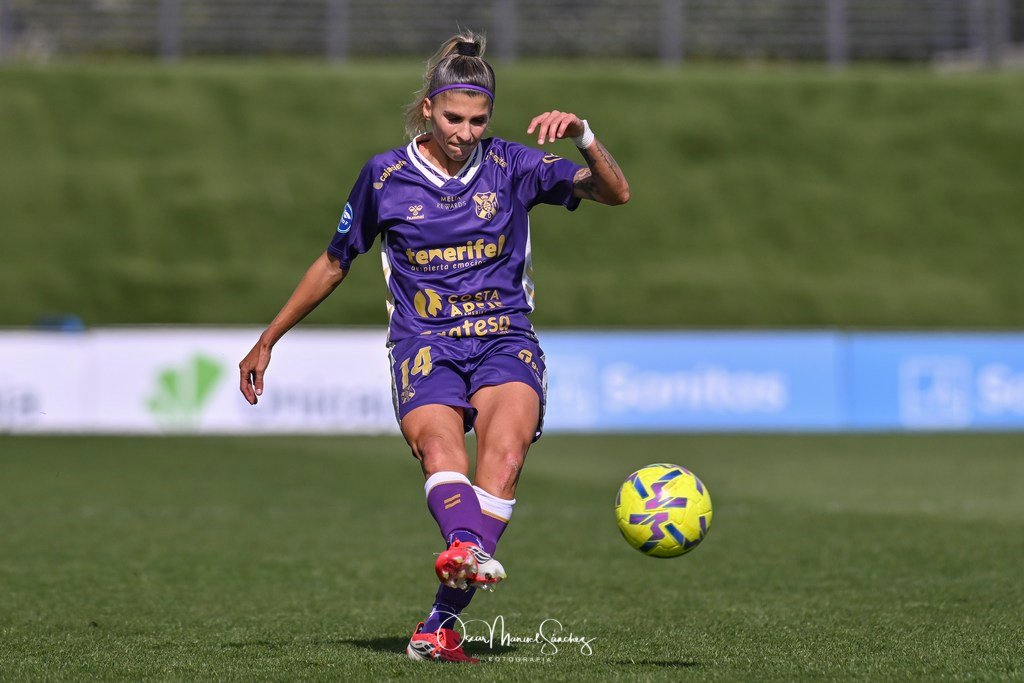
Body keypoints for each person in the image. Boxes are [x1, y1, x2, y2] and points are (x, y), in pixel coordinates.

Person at [238, 30, 629, 664]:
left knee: (505, 459)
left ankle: (440, 617)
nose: (465, 133)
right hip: (424, 344)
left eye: (478, 121)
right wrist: (268, 338)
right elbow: (334, 262)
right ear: (428, 109)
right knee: (439, 450)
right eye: (453, 118)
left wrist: (584, 134)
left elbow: (615, 192)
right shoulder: (385, 176)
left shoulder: (513, 165)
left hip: (504, 338)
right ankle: (458, 570)